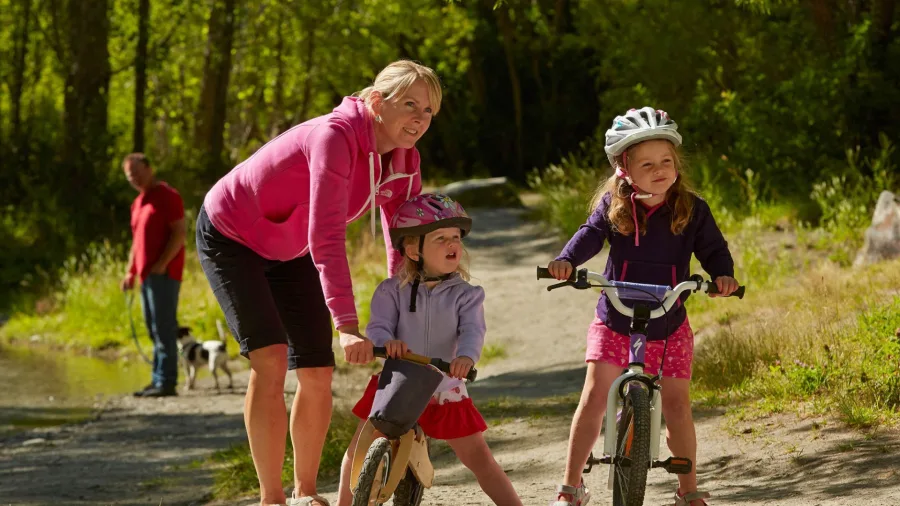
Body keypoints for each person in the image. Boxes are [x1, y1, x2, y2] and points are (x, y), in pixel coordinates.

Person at [195, 60, 442, 506]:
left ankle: (305, 493)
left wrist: (400, 314)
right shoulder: (335, 137)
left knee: (316, 370)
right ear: (375, 101)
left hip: (290, 249)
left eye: (428, 111)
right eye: (409, 104)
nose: (420, 118)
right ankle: (271, 498)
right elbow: (326, 236)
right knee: (270, 359)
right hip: (232, 234)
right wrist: (347, 324)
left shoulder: (406, 161)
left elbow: (402, 241)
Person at [545, 107, 739, 506]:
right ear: (624, 167)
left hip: (670, 323)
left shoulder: (692, 208)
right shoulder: (613, 204)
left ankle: (688, 490)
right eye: (647, 164)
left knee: (678, 406)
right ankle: (571, 488)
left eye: (666, 161)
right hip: (615, 319)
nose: (660, 170)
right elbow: (589, 235)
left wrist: (722, 276)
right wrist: (567, 261)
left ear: (677, 163)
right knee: (595, 395)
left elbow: (714, 250)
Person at [335, 193, 523, 506]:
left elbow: (472, 331)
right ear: (413, 249)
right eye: (440, 238)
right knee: (359, 448)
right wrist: (385, 341)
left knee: (479, 459)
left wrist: (465, 357)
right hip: (399, 383)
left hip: (443, 388)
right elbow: (379, 325)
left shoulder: (468, 295)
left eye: (455, 237)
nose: (452, 244)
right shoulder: (391, 291)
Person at [120, 152, 186, 398]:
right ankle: (158, 377)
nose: (134, 179)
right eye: (130, 176)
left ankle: (167, 382)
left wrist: (162, 263)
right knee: (152, 327)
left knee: (164, 327)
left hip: (165, 273)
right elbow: (136, 242)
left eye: (137, 173)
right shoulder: (138, 203)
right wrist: (130, 271)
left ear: (149, 169)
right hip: (146, 276)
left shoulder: (168, 196)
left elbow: (179, 233)